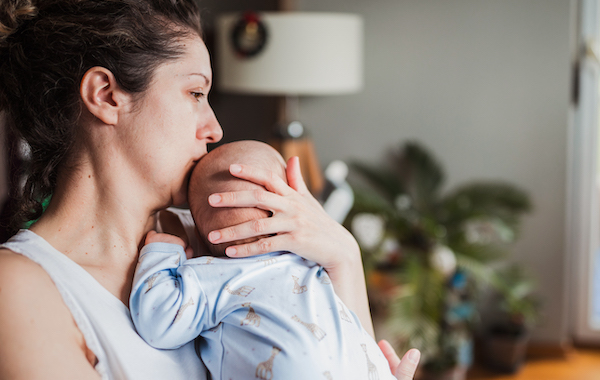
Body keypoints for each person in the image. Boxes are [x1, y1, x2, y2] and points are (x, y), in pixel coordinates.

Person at [0, 0, 419, 379]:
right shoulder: (20, 288)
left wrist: (343, 256)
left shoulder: (221, 238)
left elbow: (344, 355)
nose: (214, 128)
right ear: (106, 95)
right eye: (195, 93)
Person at [131, 140, 396, 379]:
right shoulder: (312, 265)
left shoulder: (212, 274)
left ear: (203, 237)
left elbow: (160, 323)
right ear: (293, 197)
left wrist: (162, 254)